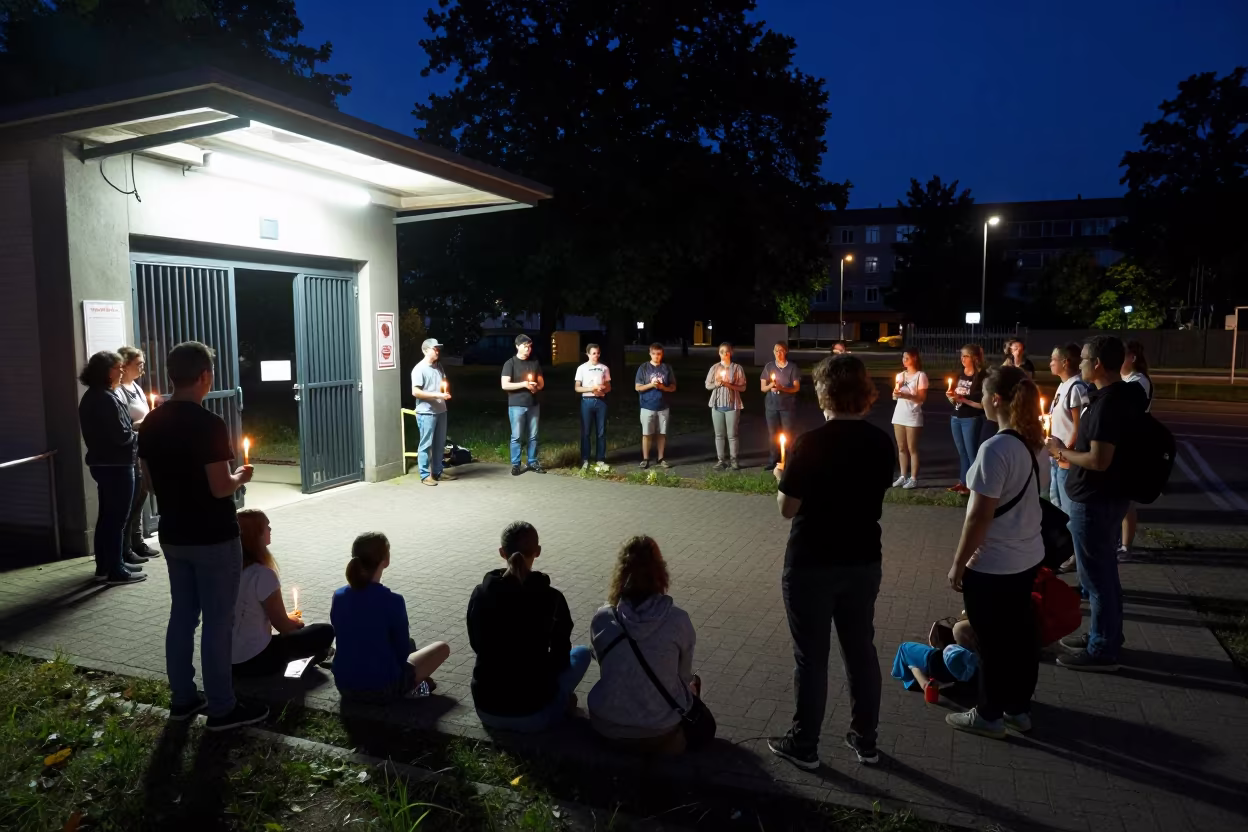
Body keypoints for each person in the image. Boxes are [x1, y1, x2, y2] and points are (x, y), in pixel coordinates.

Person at [768, 355, 894, 769]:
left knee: (811, 657)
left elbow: (787, 509)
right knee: (860, 651)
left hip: (812, 562)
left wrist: (782, 478)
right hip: (862, 560)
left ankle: (805, 744)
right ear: (865, 393)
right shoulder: (880, 442)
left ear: (824, 392)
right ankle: (866, 739)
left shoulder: (810, 443)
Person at [139, 341, 263, 730]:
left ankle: (183, 698)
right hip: (213, 536)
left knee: (182, 616)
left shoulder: (152, 422)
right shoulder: (209, 424)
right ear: (205, 376)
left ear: (172, 375)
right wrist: (240, 477)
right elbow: (220, 487)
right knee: (217, 622)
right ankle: (222, 707)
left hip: (173, 534)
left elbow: (149, 484)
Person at [945, 366, 1046, 738]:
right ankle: (1018, 710)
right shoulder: (1034, 443)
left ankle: (988, 714)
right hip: (1027, 556)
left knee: (991, 642)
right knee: (1019, 638)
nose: (982, 400)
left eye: (985, 394)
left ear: (997, 400)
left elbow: (979, 517)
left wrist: (959, 564)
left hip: (993, 564)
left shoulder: (994, 448)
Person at [1046, 336, 1147, 672]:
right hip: (1110, 496)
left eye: (1085, 359)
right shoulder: (1125, 395)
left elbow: (1099, 460)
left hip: (1094, 499)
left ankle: (1102, 649)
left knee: (1096, 579)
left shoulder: (1107, 404)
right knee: (1104, 574)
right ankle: (1105, 635)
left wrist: (1060, 452)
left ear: (1098, 364)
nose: (1080, 364)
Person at [589, 536, 715, 753]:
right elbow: (683, 676)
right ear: (661, 571)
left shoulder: (602, 618)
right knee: (693, 688)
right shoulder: (678, 620)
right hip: (659, 731)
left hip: (606, 725)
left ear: (620, 573)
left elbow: (603, 662)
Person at [467, 521, 590, 732]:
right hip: (533, 713)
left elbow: (477, 645)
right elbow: (561, 657)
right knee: (582, 653)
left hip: (486, 709)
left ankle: (562, 702)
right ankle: (562, 704)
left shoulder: (481, 594)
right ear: (538, 551)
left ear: (502, 552)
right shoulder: (552, 598)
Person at [331, 531, 450, 699]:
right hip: (382, 688)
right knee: (442, 648)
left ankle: (417, 685)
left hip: (344, 685)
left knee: (409, 644)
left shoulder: (339, 595)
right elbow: (402, 653)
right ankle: (412, 690)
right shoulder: (393, 600)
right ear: (385, 560)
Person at [231, 510, 335, 677]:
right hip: (255, 658)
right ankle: (300, 665)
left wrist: (287, 617)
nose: (270, 529)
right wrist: (295, 622)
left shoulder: (229, 570)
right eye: (267, 526)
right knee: (324, 631)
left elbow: (250, 612)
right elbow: (283, 627)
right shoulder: (262, 574)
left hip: (228, 659)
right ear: (256, 534)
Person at [78, 350, 144, 586]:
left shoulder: (97, 395)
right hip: (116, 465)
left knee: (108, 516)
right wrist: (140, 433)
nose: (122, 372)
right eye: (119, 368)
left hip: (105, 463)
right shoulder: (104, 399)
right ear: (106, 371)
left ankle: (106, 565)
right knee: (116, 518)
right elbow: (121, 435)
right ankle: (116, 570)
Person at [115, 346, 159, 562]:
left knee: (141, 497)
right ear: (125, 365)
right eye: (139, 364)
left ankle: (137, 541)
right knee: (131, 501)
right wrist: (143, 423)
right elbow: (123, 426)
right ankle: (125, 548)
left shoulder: (136, 387)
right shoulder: (118, 392)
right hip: (130, 452)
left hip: (142, 448)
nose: (143, 368)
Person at [1119, 340, 1153, 558]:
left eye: (1122, 356)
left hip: (1131, 446)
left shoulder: (1138, 381)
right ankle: (1120, 542)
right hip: (1123, 444)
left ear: (1132, 358)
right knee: (1119, 498)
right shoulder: (1125, 380)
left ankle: (1126, 546)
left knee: (1126, 500)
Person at [410, 337, 453, 487]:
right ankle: (424, 475)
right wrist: (436, 395)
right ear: (426, 350)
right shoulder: (419, 369)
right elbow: (415, 392)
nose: (438, 351)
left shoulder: (438, 367)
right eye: (435, 349)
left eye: (438, 349)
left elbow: (442, 385)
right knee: (426, 444)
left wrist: (443, 394)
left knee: (439, 444)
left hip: (441, 410)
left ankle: (437, 472)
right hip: (426, 412)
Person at [500, 335, 545, 476]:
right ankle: (516, 464)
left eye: (530, 346)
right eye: (525, 346)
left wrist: (536, 388)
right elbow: (505, 385)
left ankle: (532, 461)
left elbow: (541, 383)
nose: (528, 349)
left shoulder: (534, 363)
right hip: (516, 405)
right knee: (517, 436)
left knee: (533, 435)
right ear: (517, 346)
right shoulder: (510, 363)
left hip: (533, 404)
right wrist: (524, 384)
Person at [948, 344, 987, 495]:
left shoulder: (981, 377)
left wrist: (964, 400)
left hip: (971, 418)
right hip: (956, 416)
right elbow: (955, 398)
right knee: (962, 453)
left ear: (975, 358)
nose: (962, 359)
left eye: (966, 356)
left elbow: (983, 404)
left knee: (972, 453)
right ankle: (962, 482)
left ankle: (973, 485)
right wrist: (951, 397)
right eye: (961, 356)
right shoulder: (960, 374)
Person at [704, 342, 746, 470]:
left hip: (732, 405)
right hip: (717, 405)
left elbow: (743, 387)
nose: (725, 354)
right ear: (719, 353)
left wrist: (729, 385)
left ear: (731, 353)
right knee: (719, 435)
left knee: (732, 435)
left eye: (727, 351)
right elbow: (707, 385)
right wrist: (716, 384)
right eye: (722, 352)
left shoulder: (737, 368)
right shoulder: (714, 368)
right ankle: (721, 460)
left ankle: (734, 460)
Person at [890, 347, 928, 489]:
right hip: (899, 414)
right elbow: (895, 396)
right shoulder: (900, 376)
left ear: (914, 358)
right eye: (903, 358)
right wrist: (895, 394)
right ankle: (902, 476)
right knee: (901, 447)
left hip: (913, 415)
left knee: (912, 448)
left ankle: (913, 478)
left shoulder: (920, 376)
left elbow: (921, 398)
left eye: (907, 358)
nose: (904, 360)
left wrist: (906, 395)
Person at [635, 343, 676, 469]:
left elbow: (673, 387)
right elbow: (638, 387)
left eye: (659, 354)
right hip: (647, 405)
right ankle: (645, 458)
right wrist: (651, 385)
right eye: (654, 354)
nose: (656, 356)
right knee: (647, 434)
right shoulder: (644, 368)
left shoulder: (666, 368)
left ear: (662, 354)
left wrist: (663, 387)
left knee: (661, 434)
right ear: (650, 354)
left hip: (663, 406)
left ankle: (661, 458)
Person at [762, 342, 801, 472]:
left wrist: (782, 388)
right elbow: (763, 388)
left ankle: (788, 460)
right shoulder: (769, 367)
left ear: (786, 351)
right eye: (776, 351)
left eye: (781, 350)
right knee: (773, 434)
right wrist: (771, 386)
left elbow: (796, 387)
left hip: (787, 406)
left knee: (788, 433)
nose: (778, 353)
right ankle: (774, 460)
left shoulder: (792, 367)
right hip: (771, 406)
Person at [574, 343, 612, 472]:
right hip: (587, 401)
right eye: (593, 353)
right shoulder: (582, 368)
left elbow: (608, 386)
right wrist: (591, 389)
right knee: (586, 432)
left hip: (601, 402)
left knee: (601, 432)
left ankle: (600, 459)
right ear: (588, 354)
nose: (596, 355)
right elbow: (577, 387)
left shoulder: (604, 368)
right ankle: (585, 459)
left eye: (598, 353)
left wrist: (603, 389)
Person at [891, 642, 979, 695]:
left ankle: (912, 673)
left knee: (904, 648)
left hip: (937, 662)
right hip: (949, 673)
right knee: (909, 656)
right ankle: (913, 671)